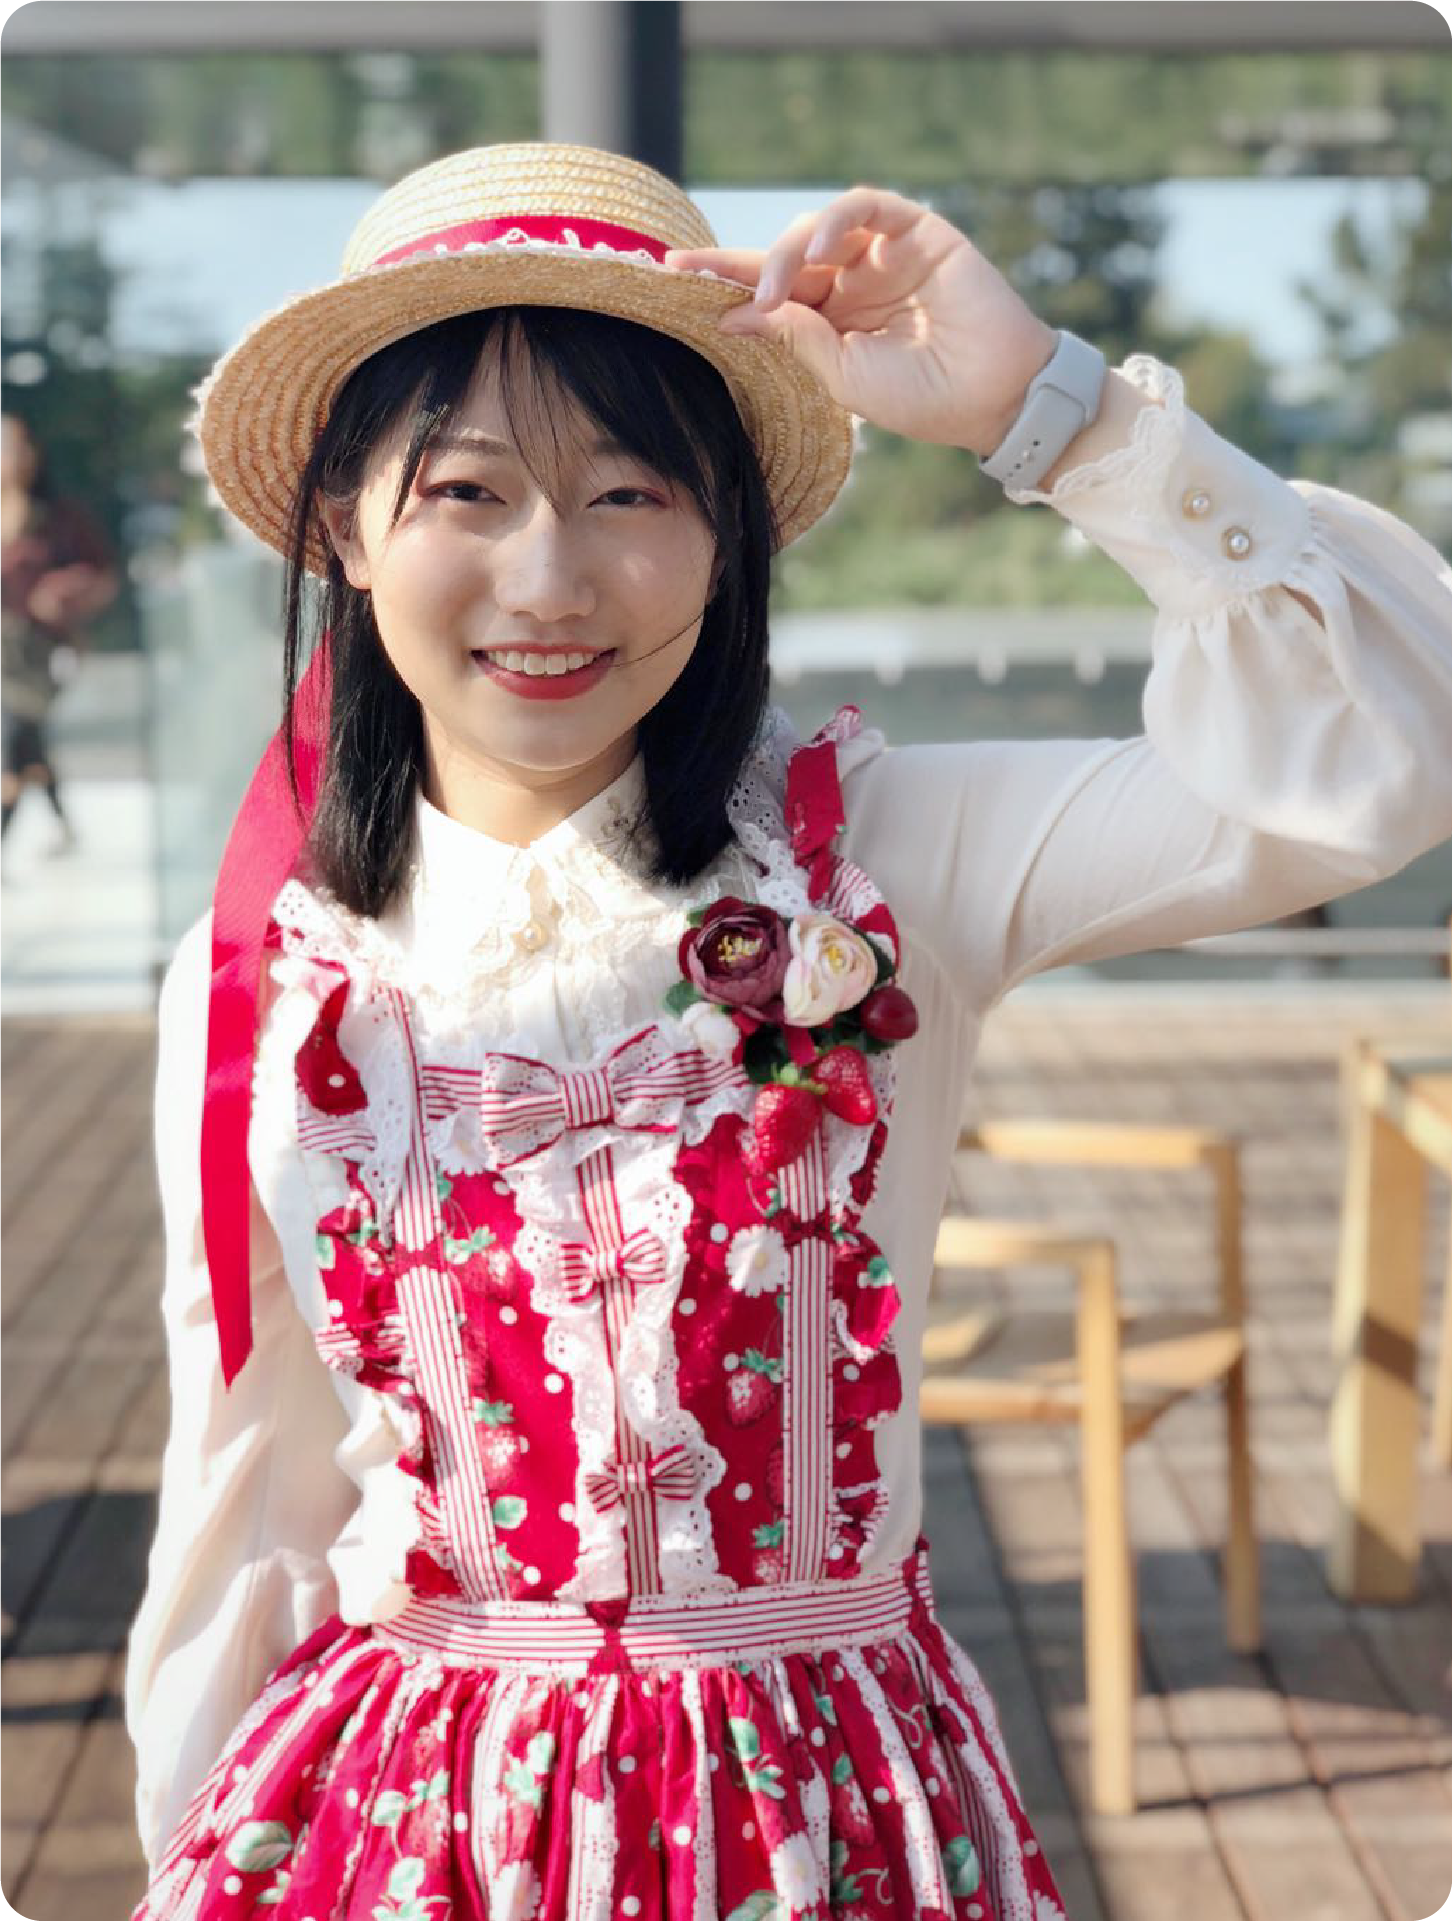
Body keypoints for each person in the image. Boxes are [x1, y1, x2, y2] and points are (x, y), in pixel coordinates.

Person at [122, 141, 1452, 1921]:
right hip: (403, 1826)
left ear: (726, 537)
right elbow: (253, 1476)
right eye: (465, 493)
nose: (549, 582)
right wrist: (196, 1832)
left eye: (630, 491)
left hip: (828, 1817)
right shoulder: (270, 972)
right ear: (346, 530)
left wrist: (1047, 411)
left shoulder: (882, 852)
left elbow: (1369, 771)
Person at [0, 411, 119, 869]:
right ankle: (64, 827)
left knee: (15, 742)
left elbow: (103, 573)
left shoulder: (62, 515)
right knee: (28, 747)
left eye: (15, 445)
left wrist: (63, 591)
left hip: (40, 651)